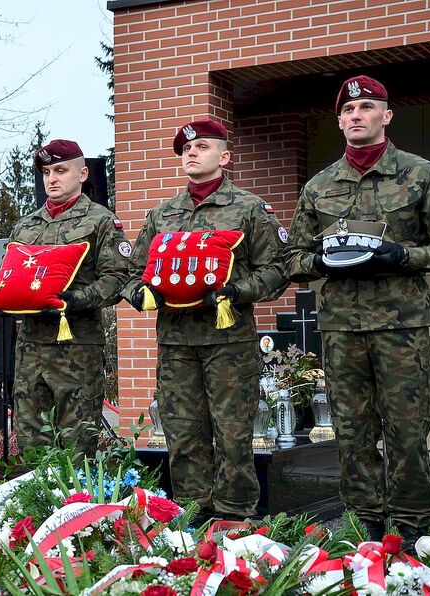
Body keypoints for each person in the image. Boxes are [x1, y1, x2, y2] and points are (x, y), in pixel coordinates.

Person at [285, 75, 430, 545]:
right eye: (347, 111)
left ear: (387, 115)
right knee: (351, 432)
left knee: (407, 430)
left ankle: (415, 527)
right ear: (339, 122)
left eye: (366, 107)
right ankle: (365, 523)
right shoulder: (319, 186)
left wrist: (403, 255)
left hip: (401, 326)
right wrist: (319, 262)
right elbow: (292, 259)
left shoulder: (422, 175)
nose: (356, 116)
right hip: (342, 327)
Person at [123, 120, 288, 521]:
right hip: (176, 343)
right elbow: (130, 271)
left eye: (201, 147)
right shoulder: (162, 214)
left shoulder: (249, 208)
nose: (191, 153)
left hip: (229, 343)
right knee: (182, 433)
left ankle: (234, 516)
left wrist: (237, 291)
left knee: (233, 434)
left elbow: (277, 269)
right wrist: (140, 292)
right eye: (186, 149)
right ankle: (191, 513)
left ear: (224, 157)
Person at [9, 139, 130, 459]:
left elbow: (118, 278)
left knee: (77, 446)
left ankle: (76, 495)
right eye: (47, 172)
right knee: (31, 443)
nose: (52, 178)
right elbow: (10, 275)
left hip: (77, 349)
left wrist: (75, 299)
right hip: (31, 349)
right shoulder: (26, 225)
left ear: (82, 174)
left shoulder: (101, 221)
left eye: (60, 171)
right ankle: (36, 494)